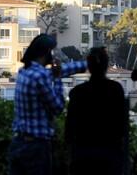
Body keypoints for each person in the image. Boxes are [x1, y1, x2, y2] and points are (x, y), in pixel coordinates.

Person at [8, 34, 87, 175]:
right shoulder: (41, 76)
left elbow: (55, 71)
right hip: (36, 147)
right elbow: (57, 107)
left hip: (18, 143)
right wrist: (57, 80)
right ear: (46, 53)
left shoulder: (24, 72)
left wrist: (85, 65)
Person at [65, 47, 127, 175]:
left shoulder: (77, 92)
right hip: (110, 156)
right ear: (106, 65)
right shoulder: (116, 90)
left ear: (89, 66)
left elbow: (69, 129)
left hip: (83, 157)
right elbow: (123, 126)